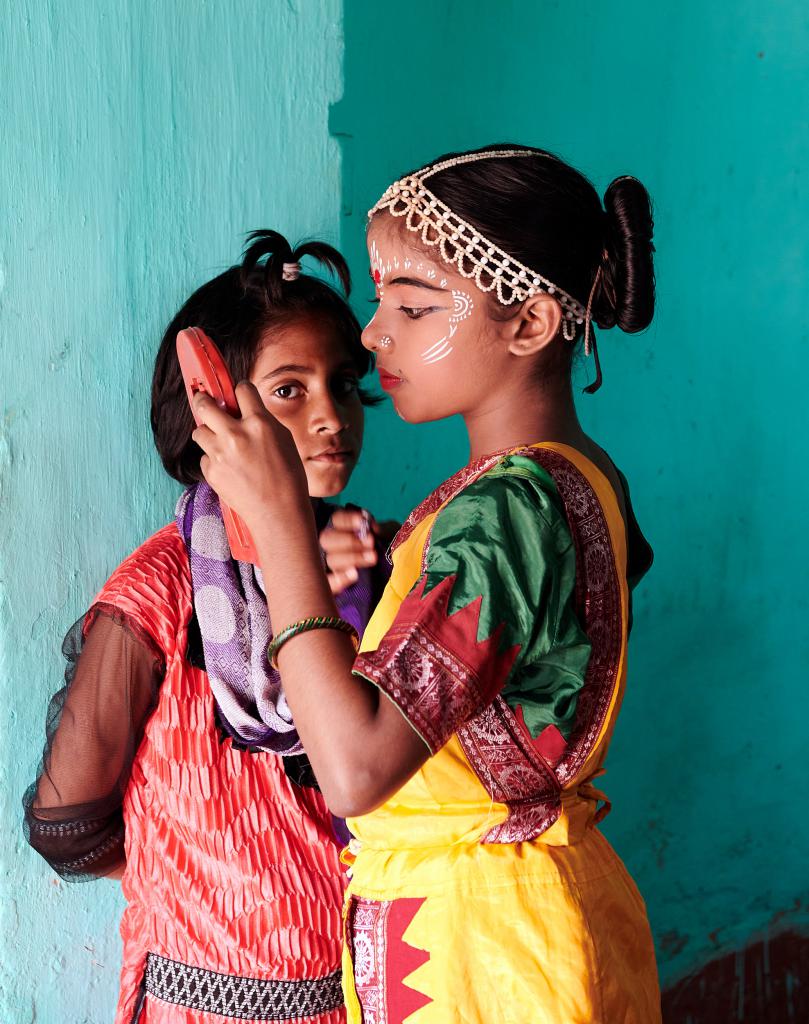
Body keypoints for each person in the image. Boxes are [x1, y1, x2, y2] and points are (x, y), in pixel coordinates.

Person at [191, 147, 661, 1022]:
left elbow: (356, 770)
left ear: (527, 325)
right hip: (528, 916)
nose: (373, 335)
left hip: (484, 955)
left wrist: (283, 527)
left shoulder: (504, 510)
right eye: (381, 303)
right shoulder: (580, 476)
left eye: (410, 306)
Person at [24, 231, 393, 1024]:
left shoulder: (365, 555)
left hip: (364, 995)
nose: (332, 416)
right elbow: (66, 822)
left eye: (343, 384)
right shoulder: (162, 590)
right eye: (289, 390)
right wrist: (199, 872)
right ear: (215, 409)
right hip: (206, 1003)